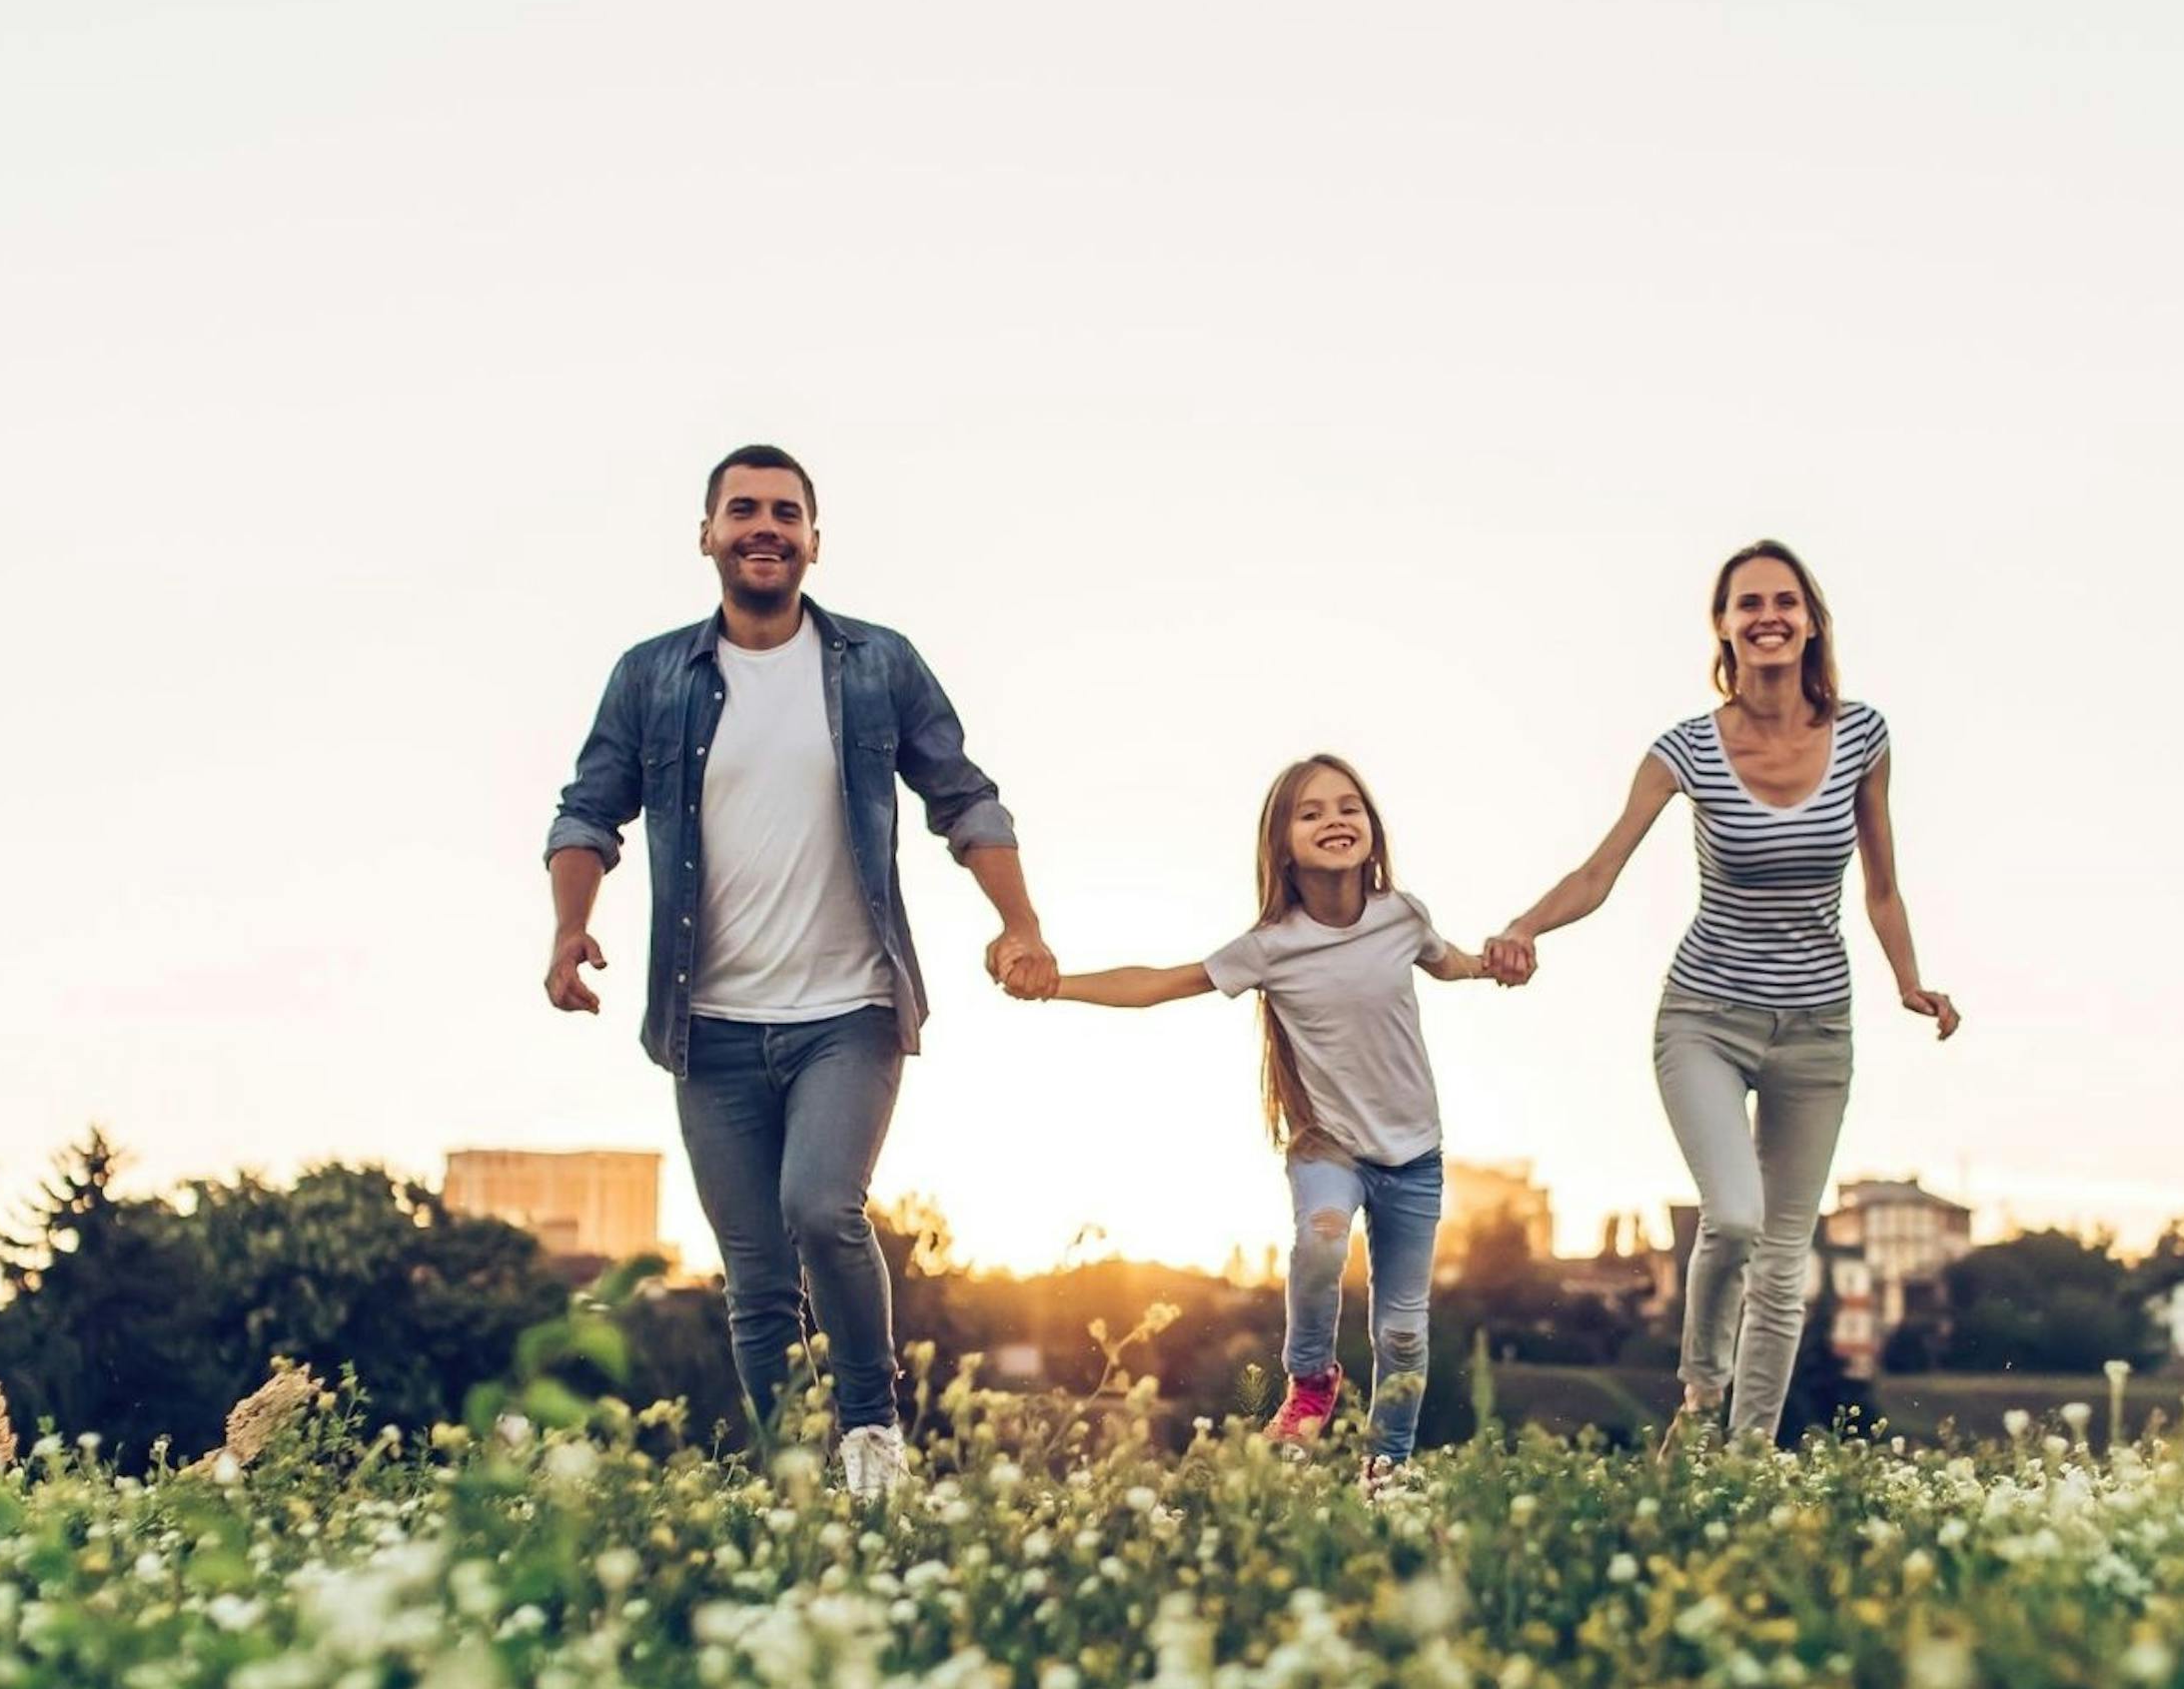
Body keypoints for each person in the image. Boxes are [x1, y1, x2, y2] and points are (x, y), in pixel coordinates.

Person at [544, 443, 1055, 1496]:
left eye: (785, 511)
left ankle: (871, 1442)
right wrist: (569, 928)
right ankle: (788, 1479)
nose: (764, 526)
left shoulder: (878, 664)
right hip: (709, 1025)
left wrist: (1020, 924)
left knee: (824, 1207)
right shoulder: (652, 677)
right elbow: (588, 811)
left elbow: (964, 797)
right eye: (743, 510)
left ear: (814, 540)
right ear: (708, 535)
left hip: (849, 1009)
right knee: (757, 1279)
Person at [1483, 540, 1963, 1446]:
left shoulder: (1863, 737)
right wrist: (1524, 928)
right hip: (1705, 1018)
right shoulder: (1685, 751)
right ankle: (1701, 1394)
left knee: (1785, 1266)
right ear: (1724, 628)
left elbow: (1883, 886)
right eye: (1749, 604)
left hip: (1818, 1032)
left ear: (1812, 621)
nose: (1768, 616)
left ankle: (1742, 1465)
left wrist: (1911, 981)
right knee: (1734, 1218)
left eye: (1786, 600)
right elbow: (1600, 869)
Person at [1025, 753, 1511, 1491]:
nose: (1335, 821)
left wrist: (1497, 961)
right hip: (1329, 1146)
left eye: (1349, 807)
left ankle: (1388, 1469)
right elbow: (1159, 983)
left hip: (1415, 1155)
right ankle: (1310, 1379)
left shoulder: (1402, 915)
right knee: (1321, 1242)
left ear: (1372, 831)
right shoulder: (1270, 946)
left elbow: (1451, 963)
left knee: (1404, 1327)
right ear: (1282, 845)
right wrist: (1057, 984)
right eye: (1310, 812)